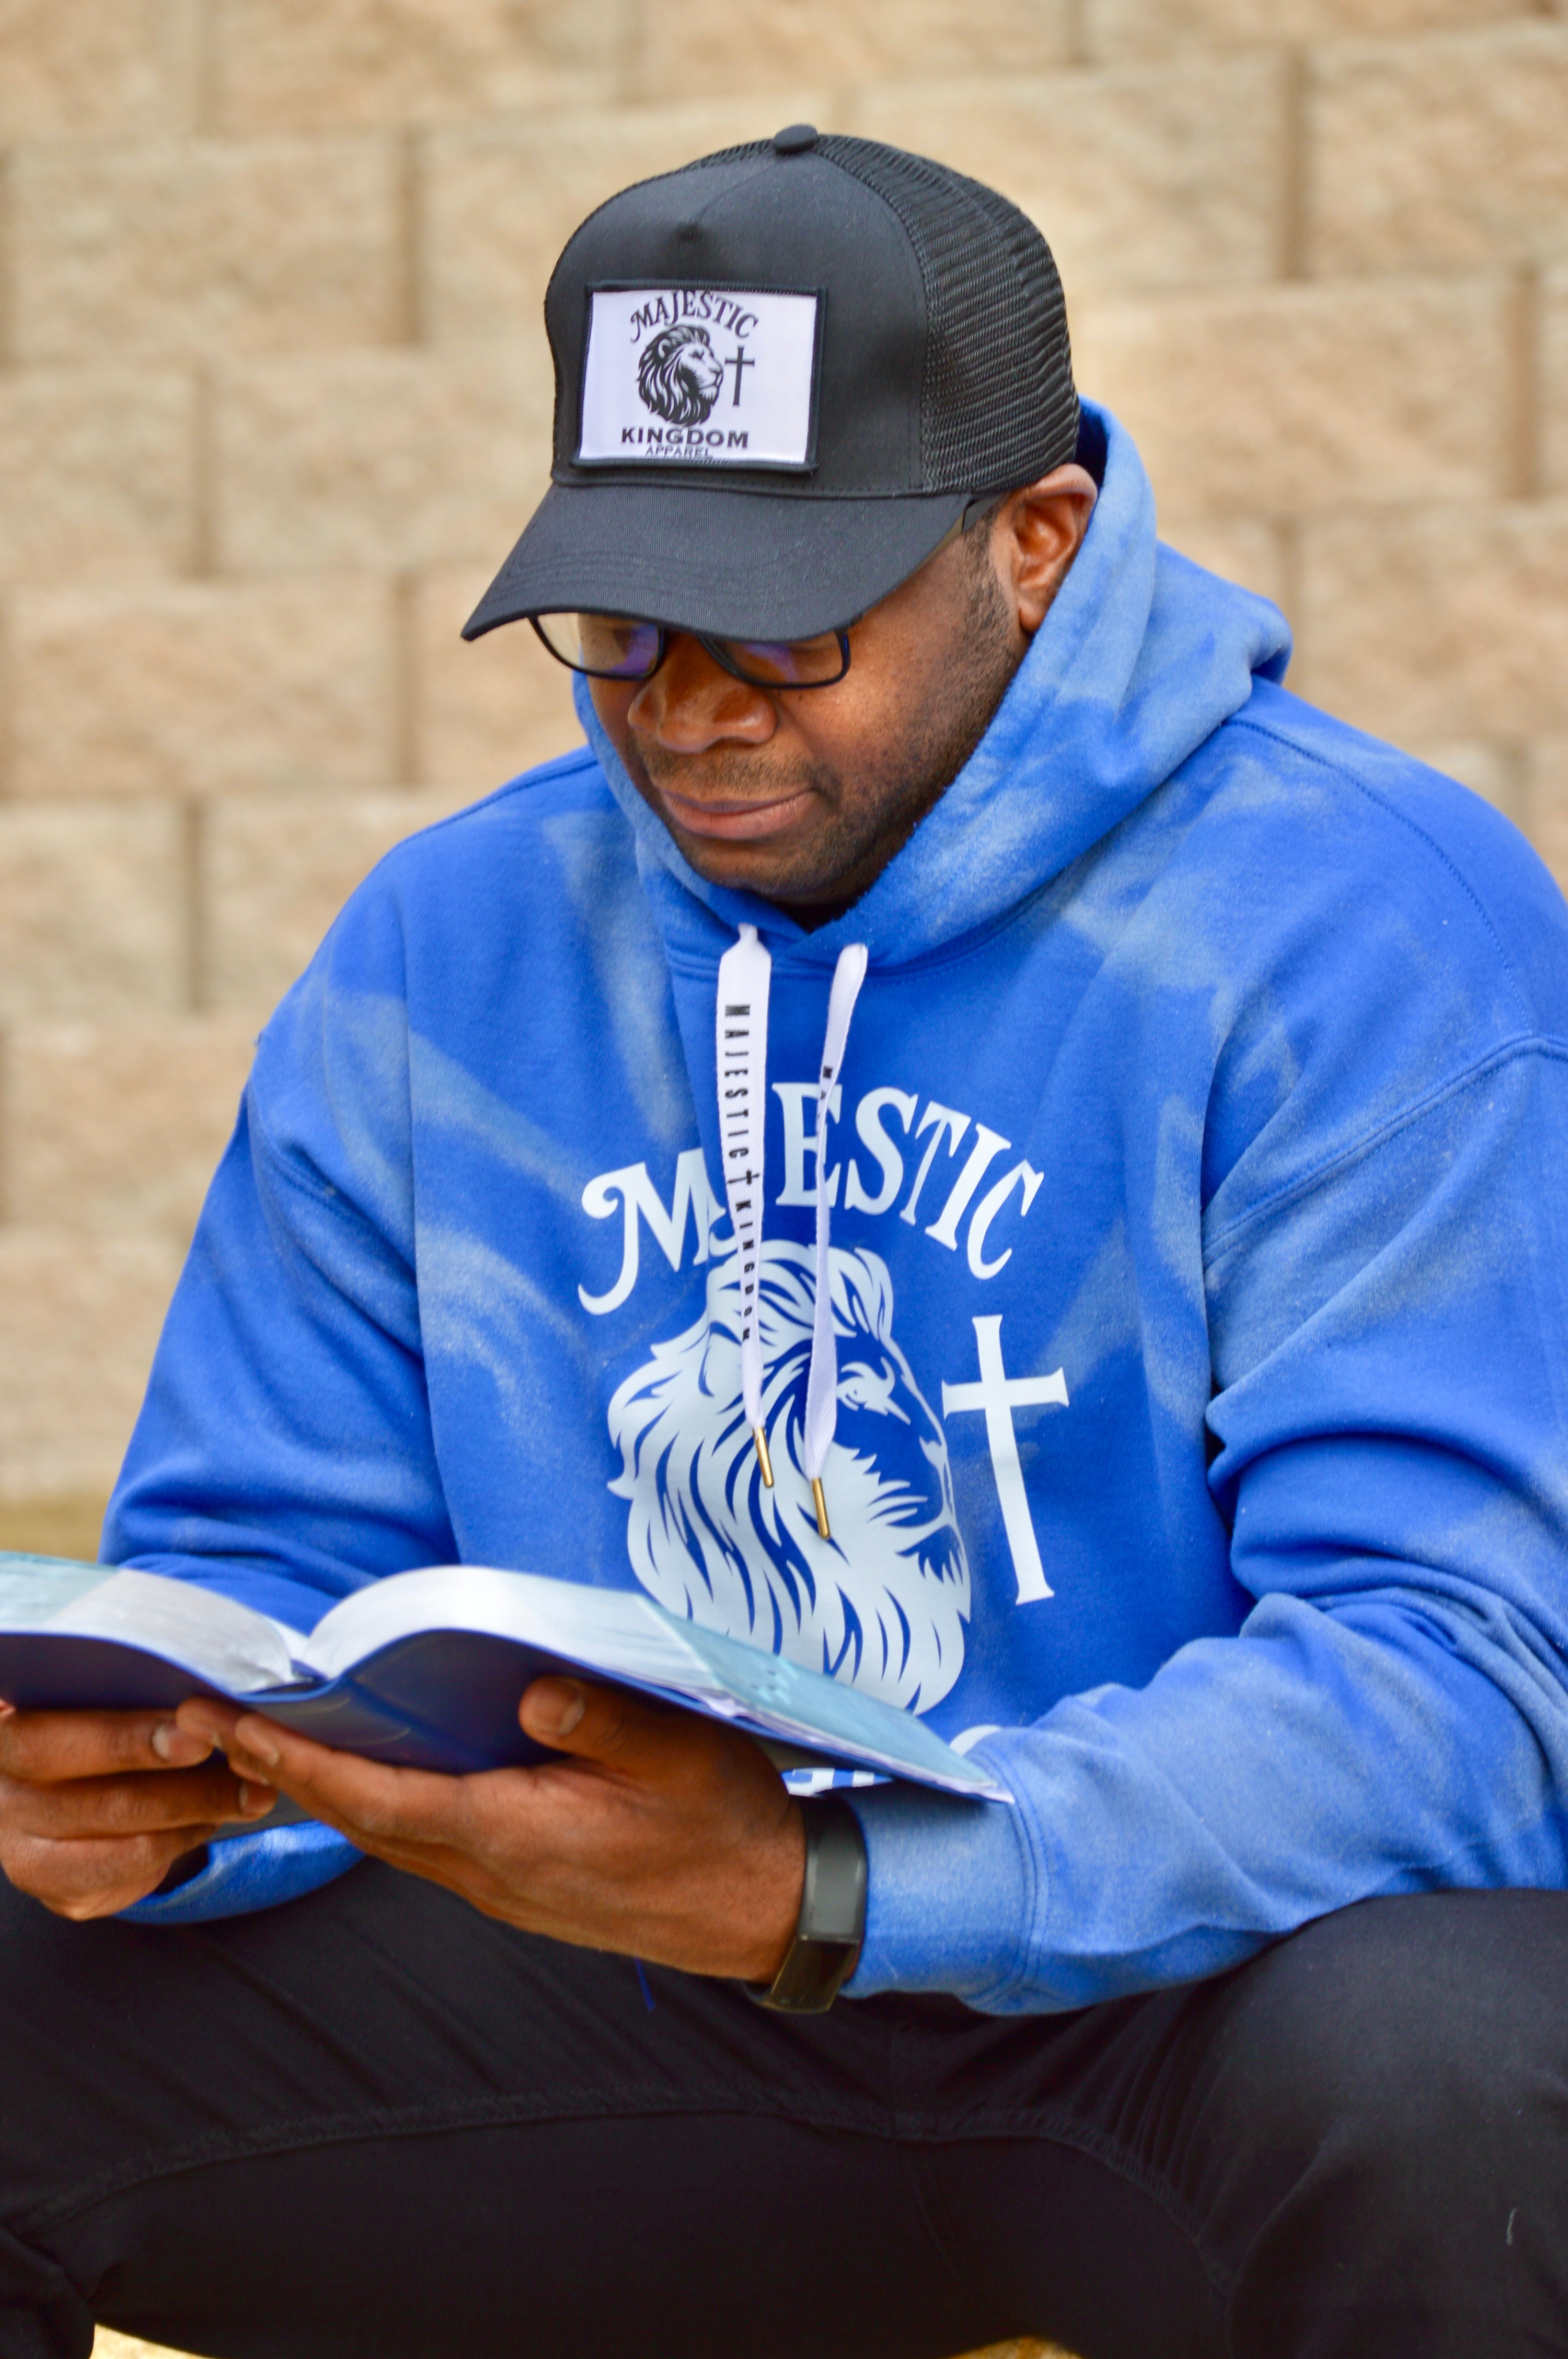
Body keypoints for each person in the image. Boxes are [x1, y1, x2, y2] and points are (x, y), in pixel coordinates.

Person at [3, 127, 1567, 2359]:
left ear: (1040, 544)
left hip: (1194, 2018)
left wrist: (837, 1882)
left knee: (1469, 2066)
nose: (694, 703)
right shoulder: (455, 946)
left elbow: (1464, 1678)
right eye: (620, 619)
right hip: (635, 2003)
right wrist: (143, 1801)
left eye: (787, 624)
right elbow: (261, 1574)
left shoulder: (1365, 926)